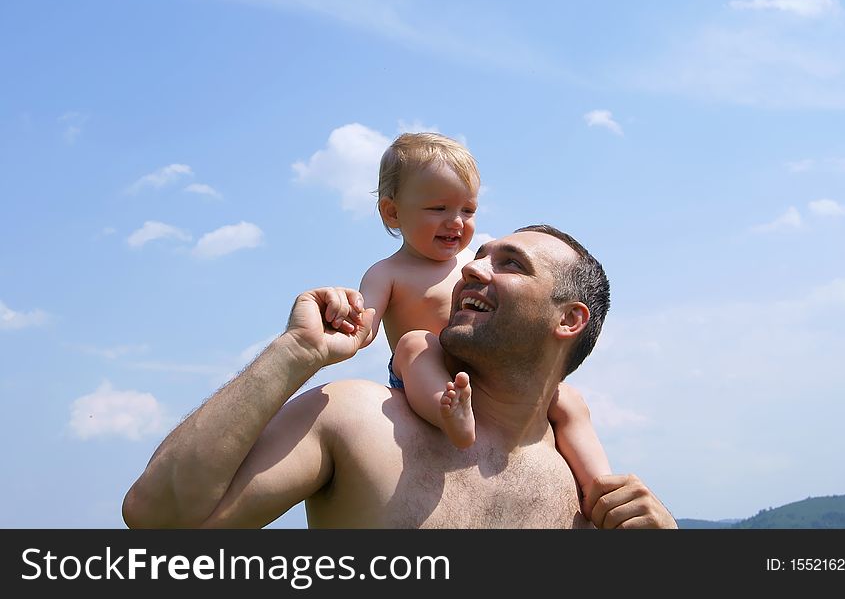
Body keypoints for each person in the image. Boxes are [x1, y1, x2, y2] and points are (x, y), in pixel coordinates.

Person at [122, 224, 677, 529]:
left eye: (510, 264)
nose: (472, 268)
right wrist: (294, 353)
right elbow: (159, 523)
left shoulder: (593, 503)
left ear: (568, 318)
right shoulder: (357, 421)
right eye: (479, 257)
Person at [357, 132, 611, 497]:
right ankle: (449, 416)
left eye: (468, 210)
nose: (456, 222)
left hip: (486, 377)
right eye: (438, 209)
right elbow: (364, 328)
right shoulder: (387, 272)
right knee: (416, 343)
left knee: (568, 399)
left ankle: (600, 488)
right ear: (393, 212)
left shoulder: (474, 262)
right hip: (426, 378)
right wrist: (346, 313)